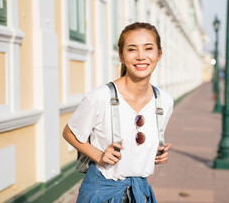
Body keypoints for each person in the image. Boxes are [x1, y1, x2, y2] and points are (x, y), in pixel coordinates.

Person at [62, 22, 174, 202]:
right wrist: (99, 155)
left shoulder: (164, 102)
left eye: (148, 48)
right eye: (132, 49)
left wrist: (155, 154)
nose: (141, 56)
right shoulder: (100, 97)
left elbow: (136, 148)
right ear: (121, 56)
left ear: (159, 54)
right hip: (101, 194)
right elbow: (69, 132)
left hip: (140, 193)